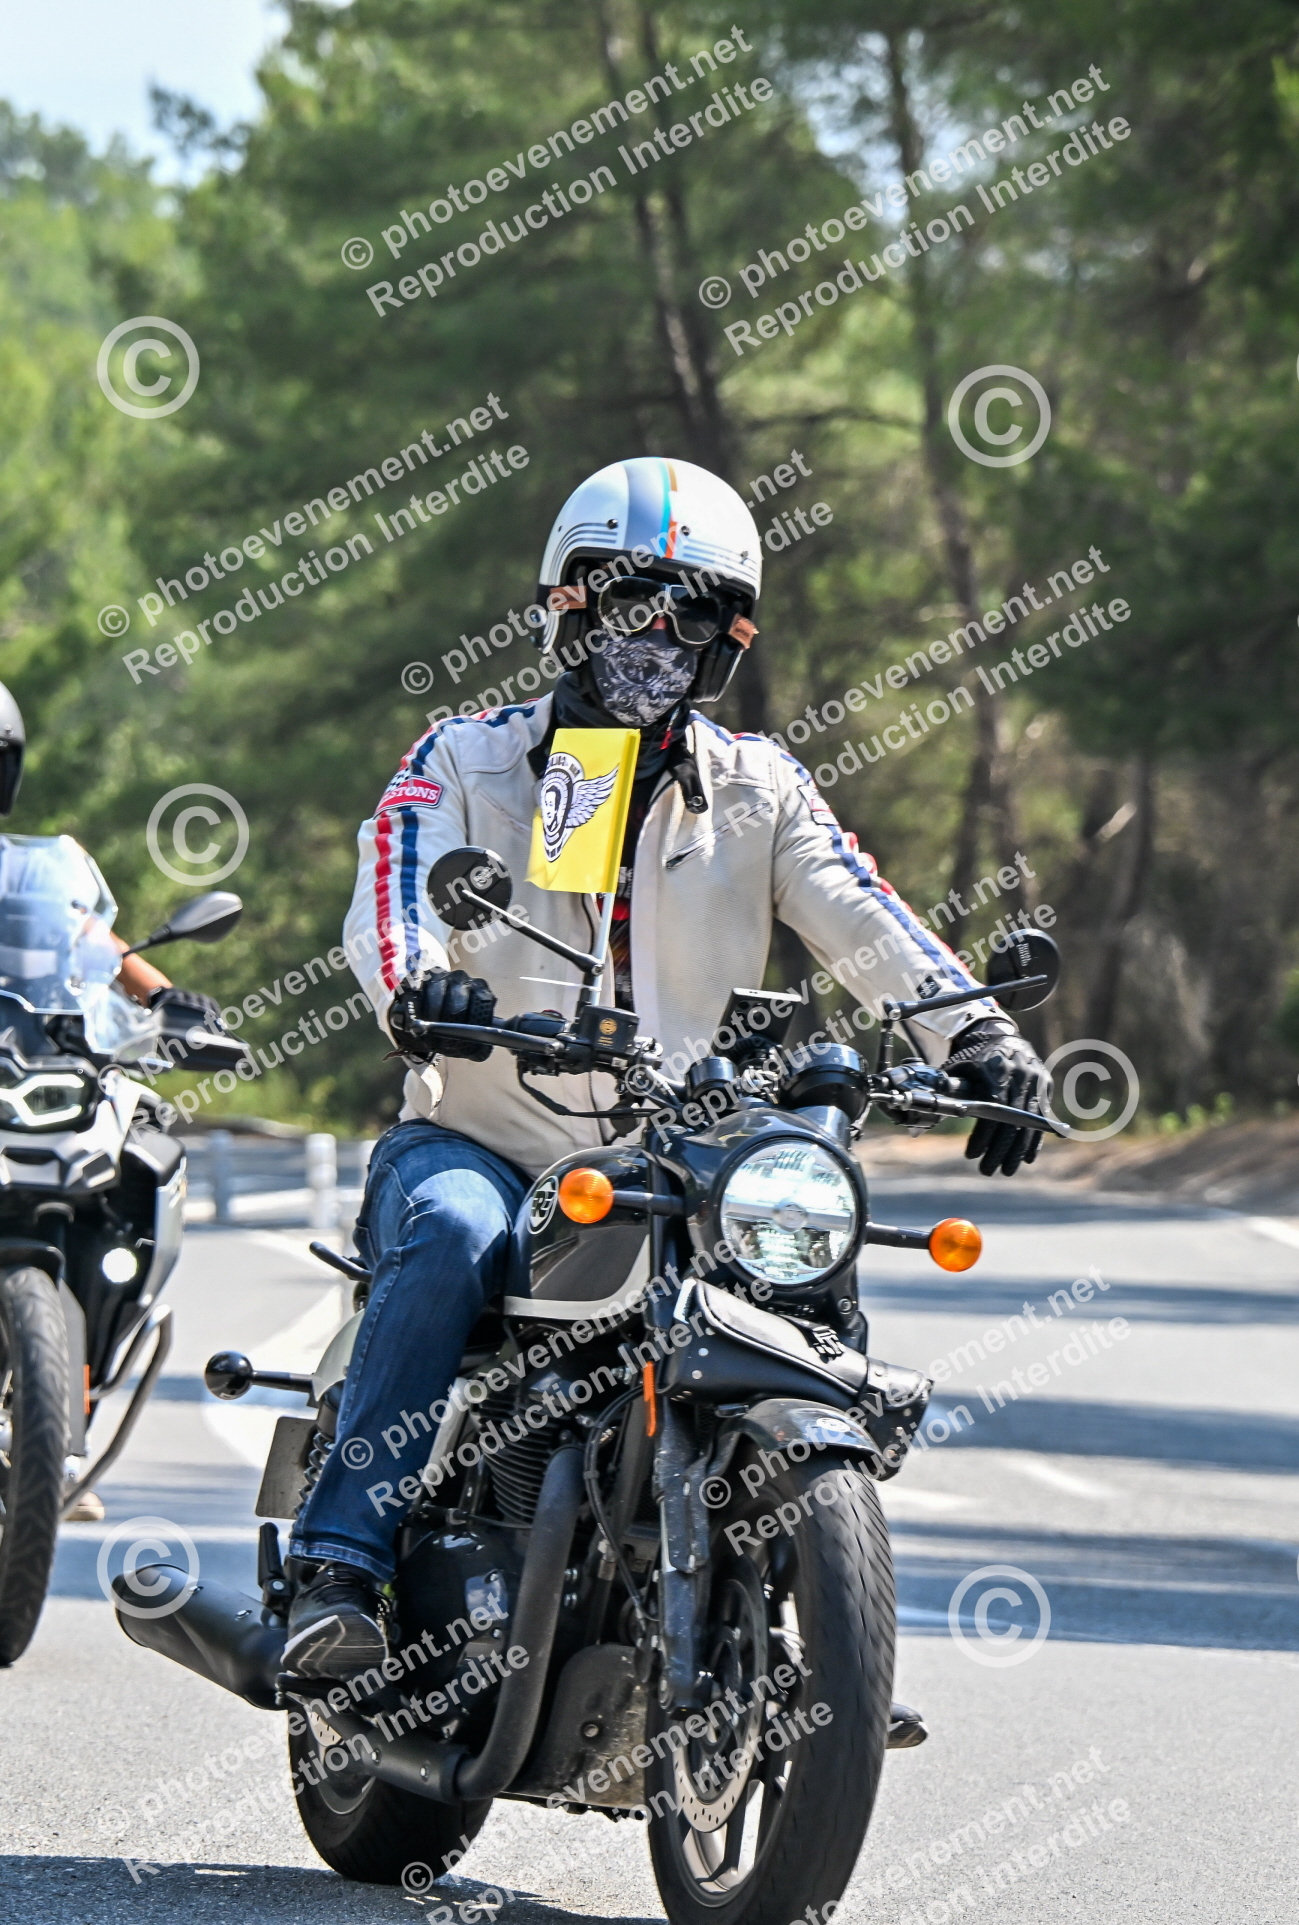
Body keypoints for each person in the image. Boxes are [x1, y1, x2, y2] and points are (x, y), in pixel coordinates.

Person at [284, 456, 1051, 1676]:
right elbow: (394, 886)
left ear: (727, 641)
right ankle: (340, 1569)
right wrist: (419, 984)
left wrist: (977, 1035)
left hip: (680, 1157)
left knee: (804, 1254)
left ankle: (813, 1626)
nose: (658, 637)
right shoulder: (473, 759)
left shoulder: (758, 787)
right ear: (570, 604)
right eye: (633, 602)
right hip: (486, 1138)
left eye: (692, 614)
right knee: (449, 1232)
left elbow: (862, 913)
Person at [0, 682, 228, 1520]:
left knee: (140, 1151)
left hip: (33, 1066)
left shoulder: (33, 870)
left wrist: (169, 1002)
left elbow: (95, 943)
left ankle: (59, 1422)